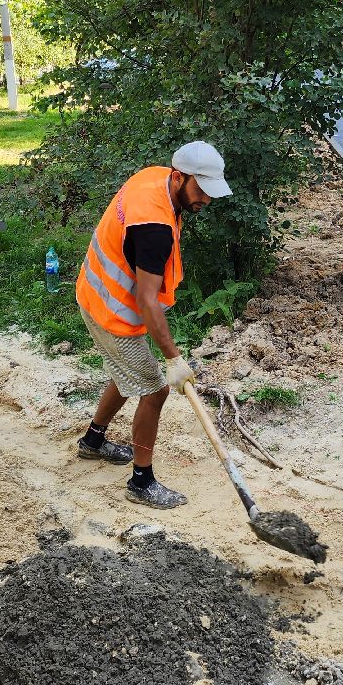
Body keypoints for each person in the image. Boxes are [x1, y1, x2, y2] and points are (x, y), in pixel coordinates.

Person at [75, 141, 231, 509]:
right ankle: (141, 482)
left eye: (211, 192)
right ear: (180, 178)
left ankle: (93, 442)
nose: (206, 200)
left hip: (94, 292)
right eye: (201, 190)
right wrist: (174, 359)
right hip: (113, 312)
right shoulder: (154, 229)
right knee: (155, 388)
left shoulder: (154, 178)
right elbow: (147, 300)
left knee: (125, 372)